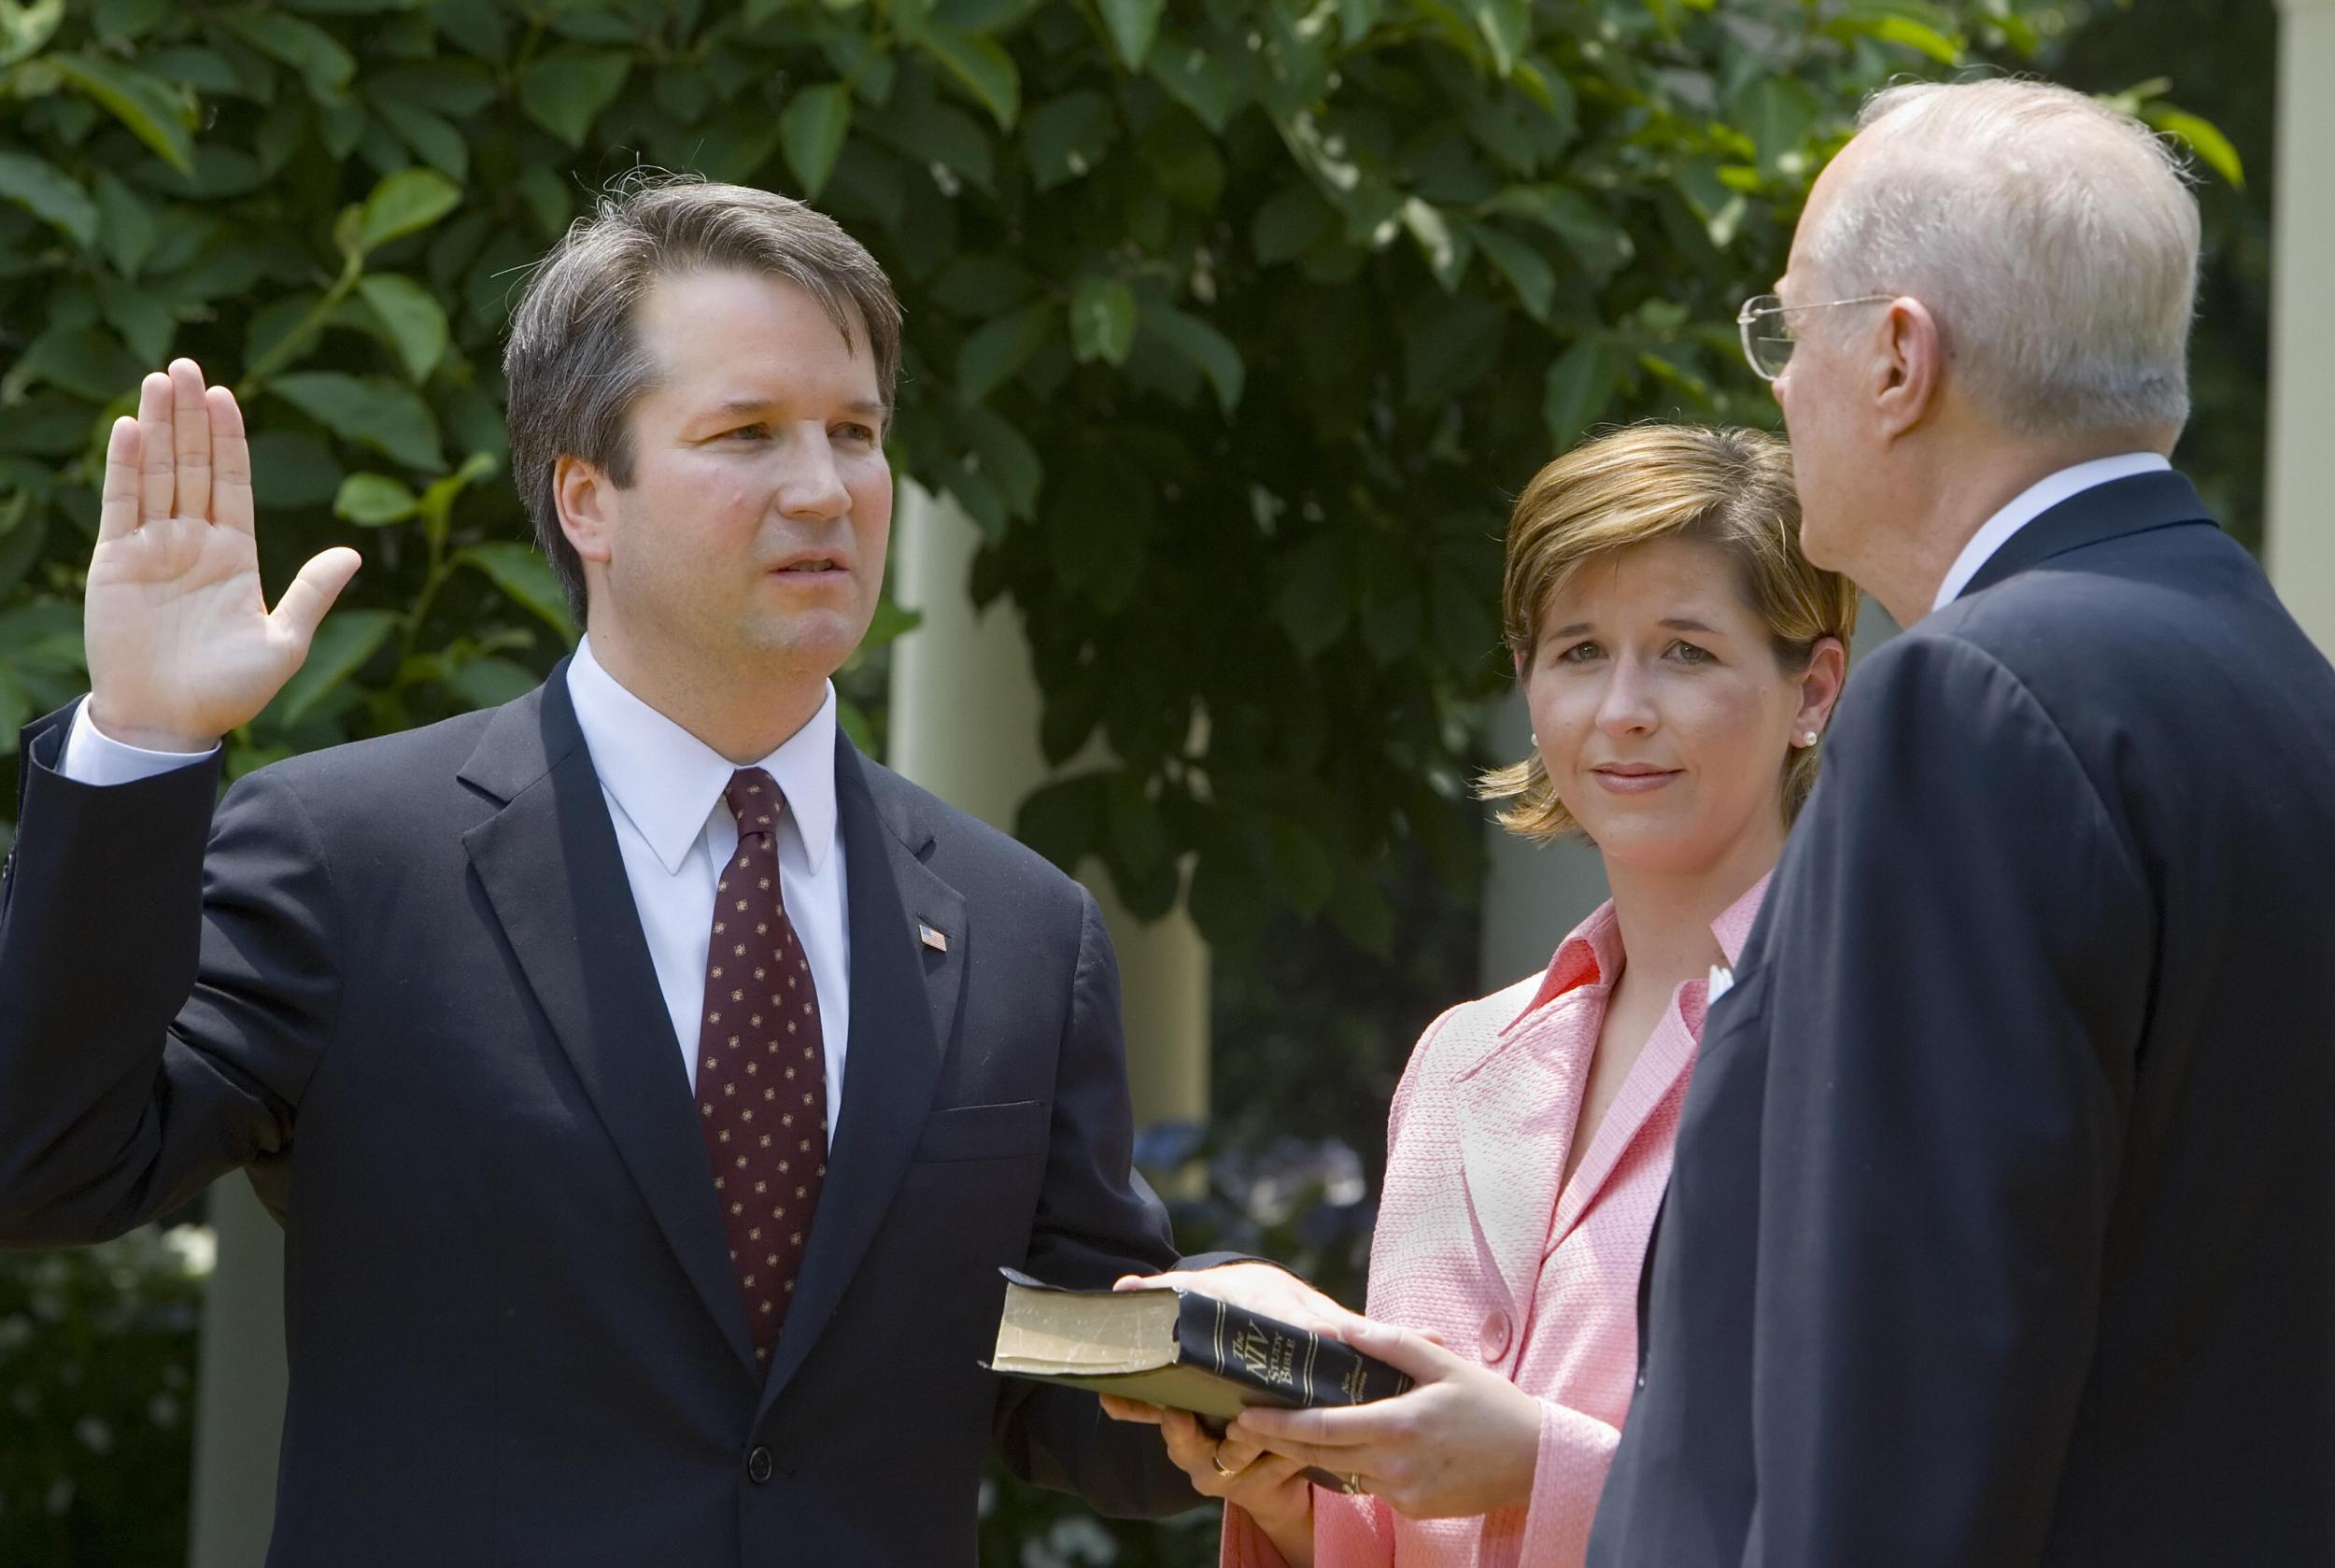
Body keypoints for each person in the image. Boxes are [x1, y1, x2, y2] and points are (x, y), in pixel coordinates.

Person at [0, 177, 1305, 1565]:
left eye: (854, 431)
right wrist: (139, 741)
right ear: (587, 499)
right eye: (746, 433)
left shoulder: (1023, 924)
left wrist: (1246, 1358)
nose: (825, 487)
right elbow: (44, 1170)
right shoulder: (349, 853)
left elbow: (1062, 1380)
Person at [1589, 79, 2335, 1568]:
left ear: (1898, 361)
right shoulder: (2280, 685)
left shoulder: (1966, 704)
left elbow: (1903, 1393)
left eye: (1790, 329)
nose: (1779, 385)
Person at [1107, 424, 1855, 1566]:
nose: (1623, 707)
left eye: (1687, 652)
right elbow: (1400, 1527)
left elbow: (1886, 1491)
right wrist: (1287, 1485)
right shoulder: (1461, 1060)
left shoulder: (1863, 1047)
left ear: (1814, 688)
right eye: (1577, 650)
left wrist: (1539, 1466)